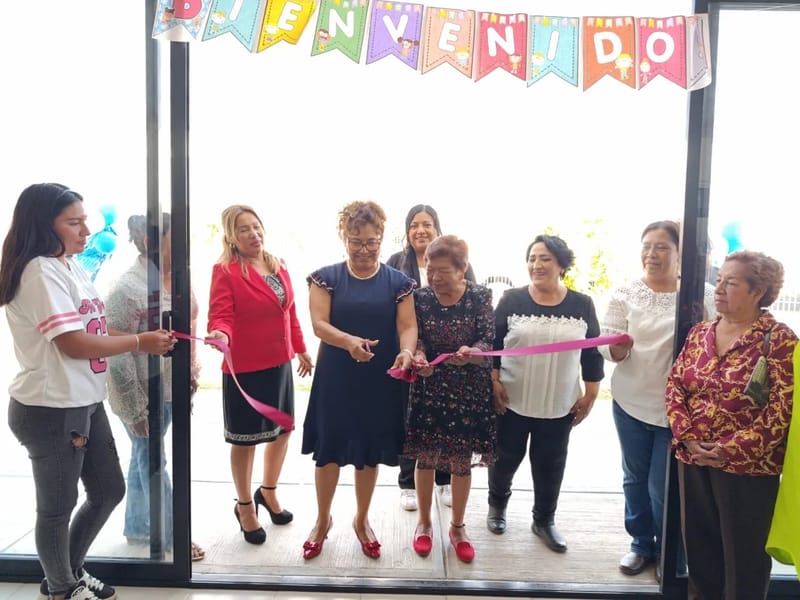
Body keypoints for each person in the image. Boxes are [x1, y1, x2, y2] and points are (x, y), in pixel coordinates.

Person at [1, 183, 176, 600]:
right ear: (46, 225)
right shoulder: (38, 271)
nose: (85, 230)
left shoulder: (69, 265)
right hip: (51, 408)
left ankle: (67, 572)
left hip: (83, 402)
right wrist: (138, 343)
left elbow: (92, 329)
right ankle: (62, 587)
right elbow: (73, 343)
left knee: (108, 490)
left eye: (85, 221)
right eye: (74, 222)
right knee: (56, 509)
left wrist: (145, 335)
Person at [666, 250, 796, 599]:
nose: (719, 288)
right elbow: (675, 385)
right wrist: (688, 437)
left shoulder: (780, 340)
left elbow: (782, 411)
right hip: (692, 459)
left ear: (758, 292)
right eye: (719, 279)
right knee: (701, 555)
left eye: (731, 282)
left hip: (747, 469)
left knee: (745, 561)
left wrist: (728, 449)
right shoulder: (700, 332)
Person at [302, 200, 417, 560]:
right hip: (337, 377)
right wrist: (348, 342)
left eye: (372, 241)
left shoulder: (399, 282)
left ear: (382, 237)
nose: (364, 249)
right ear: (344, 237)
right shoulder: (327, 277)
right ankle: (322, 520)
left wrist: (407, 352)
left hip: (379, 379)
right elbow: (319, 324)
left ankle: (362, 519)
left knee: (368, 454)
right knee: (329, 452)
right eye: (356, 241)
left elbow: (407, 326)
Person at [599, 220, 714, 579]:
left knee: (662, 487)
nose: (652, 254)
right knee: (634, 479)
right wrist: (615, 347)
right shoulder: (624, 294)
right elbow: (610, 349)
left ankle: (671, 552)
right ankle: (640, 545)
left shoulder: (703, 295)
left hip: (678, 412)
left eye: (662, 247)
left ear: (681, 254)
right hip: (631, 402)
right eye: (647, 246)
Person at [486, 234, 604, 553]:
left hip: (559, 405)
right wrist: (494, 380)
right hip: (512, 400)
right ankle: (497, 506)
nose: (537, 265)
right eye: (532, 258)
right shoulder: (511, 299)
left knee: (550, 465)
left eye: (545, 259)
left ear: (562, 265)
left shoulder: (582, 304)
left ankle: (544, 520)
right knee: (504, 459)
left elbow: (591, 353)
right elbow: (493, 342)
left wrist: (591, 394)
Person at [206, 204, 313, 545]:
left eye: (256, 227)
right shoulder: (225, 270)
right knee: (245, 441)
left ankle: (268, 492)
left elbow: (290, 311)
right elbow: (221, 314)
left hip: (279, 363)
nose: (253, 234)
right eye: (243, 230)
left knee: (282, 432)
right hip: (246, 368)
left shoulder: (277, 263)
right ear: (231, 238)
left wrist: (300, 348)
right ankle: (245, 505)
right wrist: (220, 334)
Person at [105, 214, 205, 561]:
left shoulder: (178, 278)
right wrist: (133, 408)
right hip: (141, 392)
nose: (184, 244)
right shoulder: (126, 289)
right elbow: (114, 353)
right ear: (150, 242)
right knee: (153, 461)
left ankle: (137, 527)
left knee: (143, 455)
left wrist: (191, 369)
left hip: (172, 387)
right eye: (175, 238)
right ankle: (172, 535)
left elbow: (189, 322)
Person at [403, 235, 496, 563]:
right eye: (430, 268)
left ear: (463, 269)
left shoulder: (480, 296)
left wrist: (473, 352)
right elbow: (418, 340)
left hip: (468, 389)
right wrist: (420, 357)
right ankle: (424, 524)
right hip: (430, 386)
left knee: (460, 461)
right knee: (425, 457)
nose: (435, 277)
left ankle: (457, 527)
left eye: (443, 270)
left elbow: (488, 339)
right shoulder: (421, 298)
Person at [386, 204, 476, 511]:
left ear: (437, 228)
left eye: (426, 224)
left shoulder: (456, 258)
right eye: (413, 225)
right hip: (411, 353)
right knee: (409, 417)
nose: (420, 230)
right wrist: (412, 349)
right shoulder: (397, 263)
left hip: (449, 358)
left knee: (446, 418)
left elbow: (470, 300)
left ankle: (443, 478)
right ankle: (407, 481)